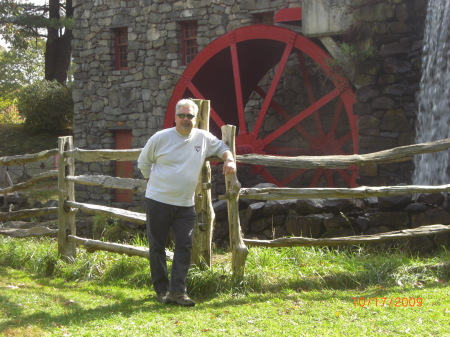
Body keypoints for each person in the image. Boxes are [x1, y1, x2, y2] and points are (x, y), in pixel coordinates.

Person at [137, 99, 236, 306]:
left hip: (185, 204)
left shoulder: (202, 137)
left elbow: (222, 147)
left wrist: (229, 159)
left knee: (184, 245)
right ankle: (162, 290)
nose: (185, 119)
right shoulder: (160, 138)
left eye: (190, 116)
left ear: (196, 118)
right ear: (175, 117)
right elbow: (143, 163)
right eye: (181, 115)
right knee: (157, 246)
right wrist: (156, 183)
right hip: (158, 200)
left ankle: (178, 292)